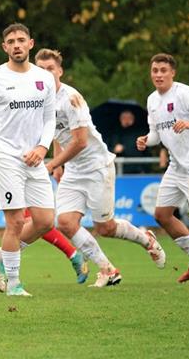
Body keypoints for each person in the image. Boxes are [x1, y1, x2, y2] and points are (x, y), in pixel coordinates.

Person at [35, 48, 167, 288]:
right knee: (64, 222)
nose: (45, 73)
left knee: (105, 228)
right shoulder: (40, 100)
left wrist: (53, 163)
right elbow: (56, 133)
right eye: (40, 69)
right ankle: (107, 270)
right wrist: (59, 165)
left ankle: (146, 239)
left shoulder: (71, 98)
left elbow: (80, 140)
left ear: (60, 71)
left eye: (50, 69)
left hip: (97, 167)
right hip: (73, 170)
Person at [0, 59, 89, 288]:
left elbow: (16, 130)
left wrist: (42, 150)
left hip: (11, 167)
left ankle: (72, 254)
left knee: (33, 221)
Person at [0, 24, 56, 297]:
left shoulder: (45, 78)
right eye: (10, 41)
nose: (16, 45)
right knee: (15, 220)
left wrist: (43, 147)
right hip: (3, 156)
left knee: (45, 221)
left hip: (34, 158)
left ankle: (0, 257)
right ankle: (14, 283)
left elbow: (49, 118)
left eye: (21, 40)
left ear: (31, 43)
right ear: (4, 48)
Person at [136, 53, 189, 286]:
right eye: (155, 70)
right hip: (176, 166)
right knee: (162, 215)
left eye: (163, 70)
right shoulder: (152, 100)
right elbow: (156, 133)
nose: (159, 74)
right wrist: (146, 140)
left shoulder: (184, 93)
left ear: (173, 72)